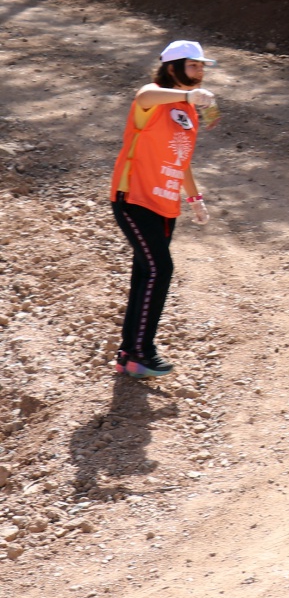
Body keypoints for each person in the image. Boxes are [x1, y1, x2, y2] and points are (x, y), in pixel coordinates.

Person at [108, 40, 218, 378]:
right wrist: (188, 96)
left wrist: (195, 200)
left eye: (202, 67)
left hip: (165, 204)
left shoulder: (188, 113)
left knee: (146, 272)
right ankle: (142, 352)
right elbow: (143, 96)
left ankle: (129, 353)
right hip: (134, 197)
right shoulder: (154, 97)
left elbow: (181, 160)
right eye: (194, 65)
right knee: (160, 270)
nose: (200, 72)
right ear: (173, 68)